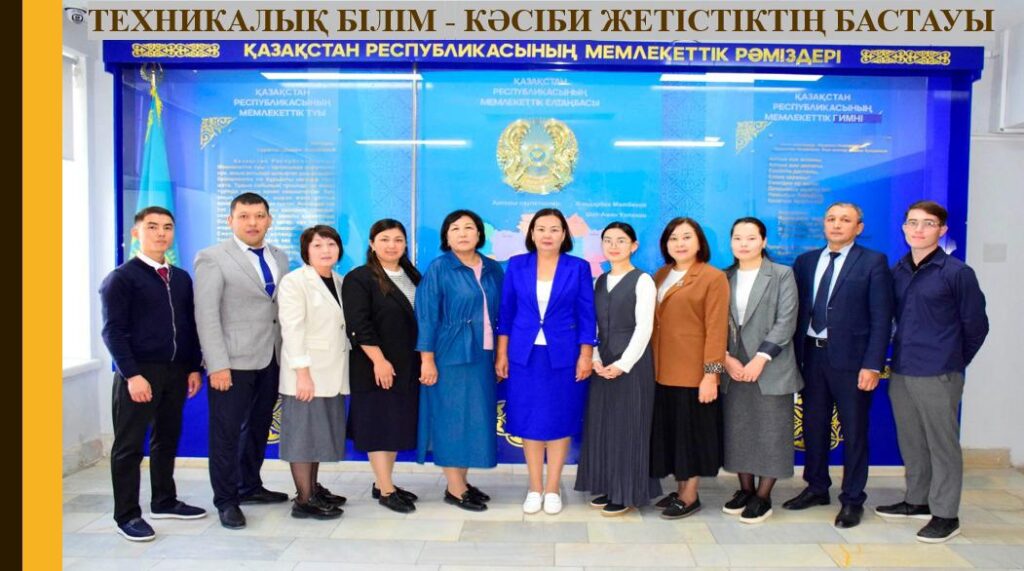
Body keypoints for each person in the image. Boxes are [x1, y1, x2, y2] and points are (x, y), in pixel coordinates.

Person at [875, 201, 988, 543]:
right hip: (902, 370)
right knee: (912, 440)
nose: (918, 229)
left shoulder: (957, 273)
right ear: (904, 228)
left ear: (942, 230)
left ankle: (946, 514)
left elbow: (976, 326)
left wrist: (953, 361)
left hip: (939, 372)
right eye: (912, 223)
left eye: (928, 223)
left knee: (942, 445)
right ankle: (917, 500)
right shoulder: (898, 270)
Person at [784, 202, 893, 529]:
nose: (836, 224)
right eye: (831, 219)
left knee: (854, 431)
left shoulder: (873, 262)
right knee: (814, 426)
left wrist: (872, 365)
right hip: (811, 356)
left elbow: (881, 318)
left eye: (845, 220)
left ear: (858, 227)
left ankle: (852, 499)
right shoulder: (806, 262)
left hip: (853, 362)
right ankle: (817, 487)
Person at [99, 206, 206, 541]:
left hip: (175, 372)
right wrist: (132, 375)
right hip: (139, 373)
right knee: (129, 446)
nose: (161, 233)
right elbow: (113, 331)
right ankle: (127, 515)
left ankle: (164, 500)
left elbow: (188, 327)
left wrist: (193, 366)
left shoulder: (181, 278)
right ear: (137, 233)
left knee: (166, 437)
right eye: (153, 226)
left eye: (167, 227)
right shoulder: (122, 278)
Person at [194, 192, 294, 530]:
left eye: (259, 216)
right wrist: (217, 364)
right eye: (244, 216)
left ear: (269, 219)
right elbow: (206, 315)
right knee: (226, 434)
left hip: (270, 358)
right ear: (231, 220)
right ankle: (226, 500)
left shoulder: (280, 256)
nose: (253, 223)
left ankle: (249, 485)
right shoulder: (212, 258)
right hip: (231, 362)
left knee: (258, 427)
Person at [495, 208, 597, 515]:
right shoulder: (517, 265)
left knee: (559, 419)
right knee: (529, 421)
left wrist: (586, 354)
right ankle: (534, 487)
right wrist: (502, 353)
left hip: (563, 355)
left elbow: (586, 315)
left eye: (554, 229)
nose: (547, 235)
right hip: (524, 355)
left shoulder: (577, 267)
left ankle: (552, 488)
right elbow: (506, 313)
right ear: (532, 233)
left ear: (564, 234)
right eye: (541, 229)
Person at [416, 210, 504, 512]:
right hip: (450, 354)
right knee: (451, 419)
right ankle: (455, 488)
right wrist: (427, 359)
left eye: (469, 228)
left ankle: (462, 482)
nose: (463, 233)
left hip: (483, 355)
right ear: (447, 236)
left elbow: (503, 313)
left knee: (473, 420)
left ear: (479, 234)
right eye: (455, 228)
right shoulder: (439, 268)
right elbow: (427, 316)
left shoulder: (492, 268)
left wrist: (501, 354)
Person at [574, 222, 661, 516]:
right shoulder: (599, 280)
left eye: (621, 240)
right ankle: (610, 487)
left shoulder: (643, 280)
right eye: (608, 240)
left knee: (629, 428)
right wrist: (596, 358)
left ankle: (628, 493)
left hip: (632, 365)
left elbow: (644, 328)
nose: (614, 246)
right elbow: (593, 325)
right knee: (605, 428)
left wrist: (623, 364)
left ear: (634, 246)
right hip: (603, 363)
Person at [721, 217, 803, 524]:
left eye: (751, 238)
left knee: (771, 432)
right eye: (738, 238)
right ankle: (745, 490)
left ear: (764, 241)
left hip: (771, 365)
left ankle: (763, 496)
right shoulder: (723, 276)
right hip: (733, 367)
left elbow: (786, 321)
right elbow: (713, 322)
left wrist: (761, 358)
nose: (744, 244)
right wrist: (725, 359)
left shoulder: (781, 274)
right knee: (739, 430)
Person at [650, 217, 729, 520]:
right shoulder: (661, 274)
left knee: (691, 435)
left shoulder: (712, 277)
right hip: (660, 370)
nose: (679, 244)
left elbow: (716, 329)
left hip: (693, 373)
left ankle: (690, 495)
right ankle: (679, 488)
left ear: (699, 242)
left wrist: (711, 374)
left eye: (686, 237)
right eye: (673, 238)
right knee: (673, 434)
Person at [342, 219, 422, 513]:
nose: (392, 245)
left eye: (398, 240)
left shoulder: (412, 275)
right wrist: (379, 361)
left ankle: (383, 482)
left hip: (407, 365)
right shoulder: (360, 278)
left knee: (394, 425)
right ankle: (387, 490)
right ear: (372, 244)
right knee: (378, 425)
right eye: (385, 239)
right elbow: (358, 324)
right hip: (375, 366)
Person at [277, 225, 351, 520]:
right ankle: (304, 500)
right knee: (302, 437)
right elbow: (292, 329)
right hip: (306, 373)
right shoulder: (295, 282)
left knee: (317, 435)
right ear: (306, 251)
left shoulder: (340, 281)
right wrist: (302, 373)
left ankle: (313, 488)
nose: (325, 250)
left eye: (331, 244)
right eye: (317, 245)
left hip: (332, 370)